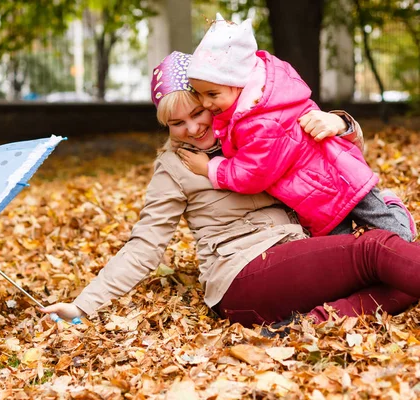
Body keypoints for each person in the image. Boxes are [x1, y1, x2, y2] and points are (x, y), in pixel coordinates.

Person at [41, 52, 419, 329]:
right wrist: (82, 305)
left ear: (213, 99)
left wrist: (338, 122)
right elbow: (144, 247)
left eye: (198, 112)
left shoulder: (256, 130)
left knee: (398, 282)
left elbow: (337, 163)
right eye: (176, 123)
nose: (192, 128)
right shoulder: (174, 168)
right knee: (377, 249)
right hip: (243, 275)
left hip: (297, 255)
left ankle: (303, 325)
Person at [178, 14, 416, 241]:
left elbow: (252, 174)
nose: (206, 103)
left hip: (343, 179)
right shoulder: (241, 114)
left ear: (239, 84)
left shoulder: (261, 122)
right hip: (314, 199)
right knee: (343, 255)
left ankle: (393, 206)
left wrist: (211, 168)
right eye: (199, 95)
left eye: (212, 94)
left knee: (400, 236)